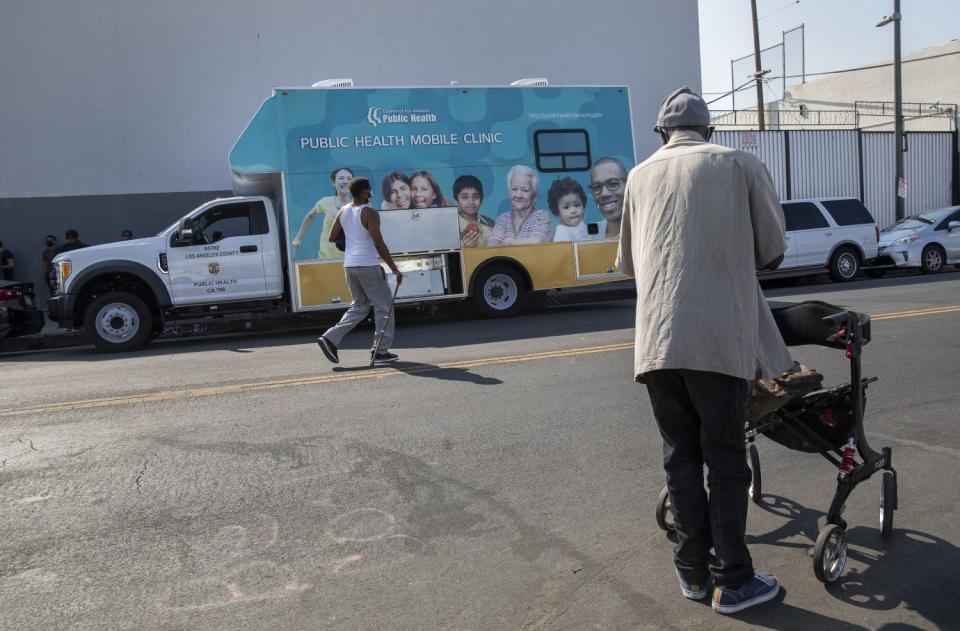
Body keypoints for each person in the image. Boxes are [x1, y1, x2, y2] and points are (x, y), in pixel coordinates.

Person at [616, 87, 792, 615]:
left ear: (661, 133)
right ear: (708, 130)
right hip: (716, 339)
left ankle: (692, 572)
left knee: (681, 459)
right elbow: (773, 251)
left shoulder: (638, 175)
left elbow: (629, 263)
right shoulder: (738, 163)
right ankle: (735, 581)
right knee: (726, 460)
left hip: (657, 342)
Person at [317, 177, 404, 366]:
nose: (371, 192)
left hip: (350, 266)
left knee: (360, 306)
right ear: (365, 192)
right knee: (384, 306)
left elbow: (332, 237)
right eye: (370, 189)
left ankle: (330, 338)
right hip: (367, 265)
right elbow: (379, 244)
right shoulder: (369, 212)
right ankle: (380, 352)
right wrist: (395, 269)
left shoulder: (344, 210)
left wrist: (352, 238)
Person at [291, 167, 354, 259]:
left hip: (352, 258)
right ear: (333, 183)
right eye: (341, 178)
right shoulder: (325, 203)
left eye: (349, 179)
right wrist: (298, 238)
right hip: (326, 258)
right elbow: (311, 216)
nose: (345, 181)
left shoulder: (359, 205)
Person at [488, 165, 552, 245]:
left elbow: (537, 242)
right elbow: (492, 245)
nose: (518, 195)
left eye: (525, 190)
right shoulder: (503, 219)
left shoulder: (541, 216)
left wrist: (510, 242)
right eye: (514, 189)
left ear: (534, 195)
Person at [590, 157, 628, 239]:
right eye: (596, 187)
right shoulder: (590, 236)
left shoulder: (644, 231)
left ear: (628, 185)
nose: (604, 194)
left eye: (613, 184)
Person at [453, 175, 494, 247]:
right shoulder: (452, 227)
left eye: (475, 197)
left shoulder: (490, 223)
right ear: (456, 200)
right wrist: (464, 247)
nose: (471, 202)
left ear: (481, 199)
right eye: (464, 197)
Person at [547, 177, 590, 242]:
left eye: (577, 205)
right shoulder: (562, 231)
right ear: (557, 213)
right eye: (566, 207)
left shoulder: (581, 224)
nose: (573, 211)